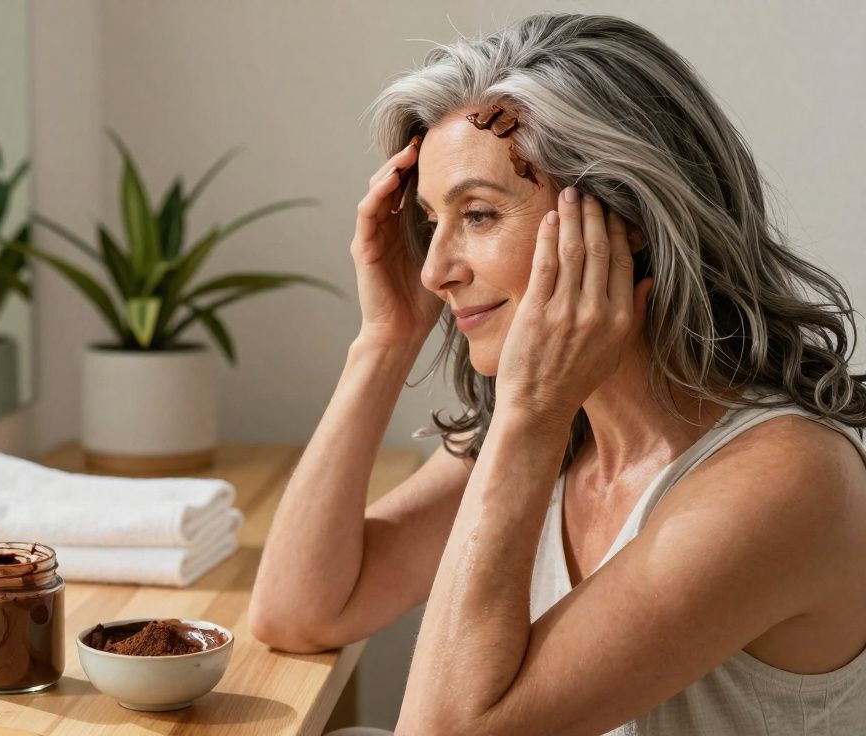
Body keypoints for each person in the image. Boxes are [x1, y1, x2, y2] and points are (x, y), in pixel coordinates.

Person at [250, 13, 866, 735]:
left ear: (625, 219)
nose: (435, 269)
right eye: (429, 221)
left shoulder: (786, 481)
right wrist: (385, 341)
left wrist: (529, 413)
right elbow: (298, 611)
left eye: (477, 215)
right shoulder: (566, 436)